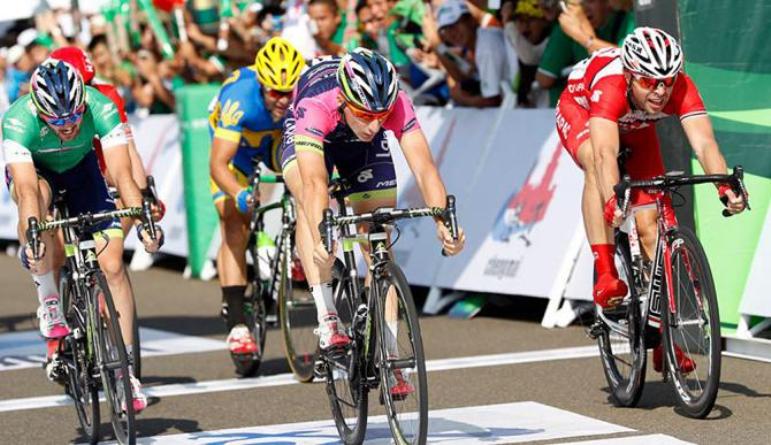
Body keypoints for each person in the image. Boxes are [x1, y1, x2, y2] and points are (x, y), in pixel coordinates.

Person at [555, 27, 746, 373]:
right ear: (629, 75)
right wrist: (614, 197)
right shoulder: (610, 86)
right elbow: (605, 152)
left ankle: (662, 337)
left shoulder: (680, 88)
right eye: (648, 81)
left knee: (651, 227)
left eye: (667, 81)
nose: (659, 91)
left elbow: (704, 144)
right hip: (583, 112)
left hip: (639, 130)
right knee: (594, 169)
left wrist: (724, 185)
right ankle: (606, 270)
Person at [279, 48, 465, 395]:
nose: (376, 123)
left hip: (361, 151)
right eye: (366, 114)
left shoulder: (394, 105)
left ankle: (391, 357)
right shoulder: (316, 104)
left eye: (382, 114)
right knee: (308, 200)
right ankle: (328, 315)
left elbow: (424, 168)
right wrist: (324, 232)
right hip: (314, 138)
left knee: (378, 236)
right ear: (347, 100)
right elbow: (315, 182)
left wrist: (443, 220)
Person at [1, 59, 163, 411]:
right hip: (38, 173)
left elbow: (121, 174)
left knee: (113, 265)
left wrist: (144, 219)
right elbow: (27, 190)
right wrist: (33, 236)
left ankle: (126, 373)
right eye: (58, 120)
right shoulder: (17, 119)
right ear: (39, 110)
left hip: (81, 170)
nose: (69, 125)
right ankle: (49, 299)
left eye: (74, 116)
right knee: (37, 208)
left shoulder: (100, 105)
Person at [208, 37, 305, 356]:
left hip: (275, 139)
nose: (283, 99)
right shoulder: (239, 99)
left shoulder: (298, 94)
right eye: (276, 92)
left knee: (305, 178)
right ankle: (236, 322)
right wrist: (238, 194)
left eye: (289, 91)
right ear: (262, 84)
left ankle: (301, 250)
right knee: (235, 224)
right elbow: (218, 165)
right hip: (236, 151)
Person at [537, 0, 634, 106]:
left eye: (590, 1)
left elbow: (627, 61)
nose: (584, 9)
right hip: (575, 112)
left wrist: (583, 37)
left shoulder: (627, 19)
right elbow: (544, 79)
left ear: (608, 3)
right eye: (577, 5)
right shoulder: (568, 25)